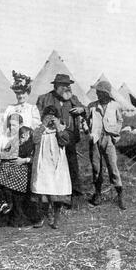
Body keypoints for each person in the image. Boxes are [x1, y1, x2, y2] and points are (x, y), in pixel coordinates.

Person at [36, 74, 88, 208]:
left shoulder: (73, 98)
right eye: (64, 85)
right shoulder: (44, 99)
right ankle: (53, 197)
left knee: (72, 165)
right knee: (52, 167)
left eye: (69, 85)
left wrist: (82, 109)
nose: (68, 88)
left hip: (68, 137)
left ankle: (76, 196)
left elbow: (85, 108)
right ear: (56, 87)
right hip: (51, 137)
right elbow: (37, 117)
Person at [87, 81, 125, 210]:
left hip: (109, 139)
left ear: (106, 94)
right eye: (97, 92)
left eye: (100, 92)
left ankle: (120, 195)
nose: (98, 94)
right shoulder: (92, 106)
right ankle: (98, 194)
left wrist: (115, 132)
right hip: (95, 139)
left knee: (112, 167)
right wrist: (89, 132)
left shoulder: (115, 106)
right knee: (96, 167)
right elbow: (86, 121)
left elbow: (120, 120)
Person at [31, 106, 71, 229]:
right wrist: (44, 125)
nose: (50, 119)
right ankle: (43, 216)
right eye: (48, 116)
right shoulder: (40, 129)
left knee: (57, 190)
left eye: (53, 117)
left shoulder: (61, 130)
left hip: (57, 164)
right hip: (43, 163)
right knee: (43, 190)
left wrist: (58, 126)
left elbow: (65, 141)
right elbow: (35, 139)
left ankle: (56, 217)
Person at [0, 114, 34, 227]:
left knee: (15, 190)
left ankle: (16, 216)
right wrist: (2, 163)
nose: (12, 128)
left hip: (21, 170)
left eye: (14, 125)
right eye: (10, 125)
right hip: (4, 166)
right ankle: (4, 210)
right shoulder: (4, 137)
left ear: (20, 125)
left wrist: (24, 160)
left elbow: (34, 156)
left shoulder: (28, 139)